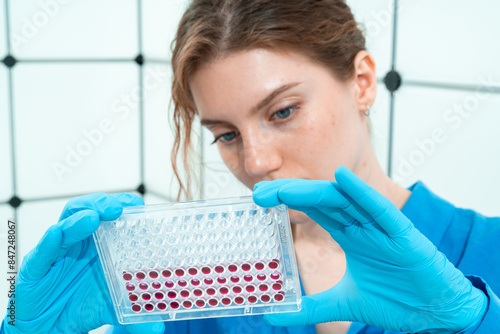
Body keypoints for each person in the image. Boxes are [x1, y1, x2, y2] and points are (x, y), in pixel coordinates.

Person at [2, 0, 499, 333]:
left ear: (363, 81)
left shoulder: (489, 249)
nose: (256, 162)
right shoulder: (197, 286)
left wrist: (477, 322)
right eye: (226, 135)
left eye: (283, 112)